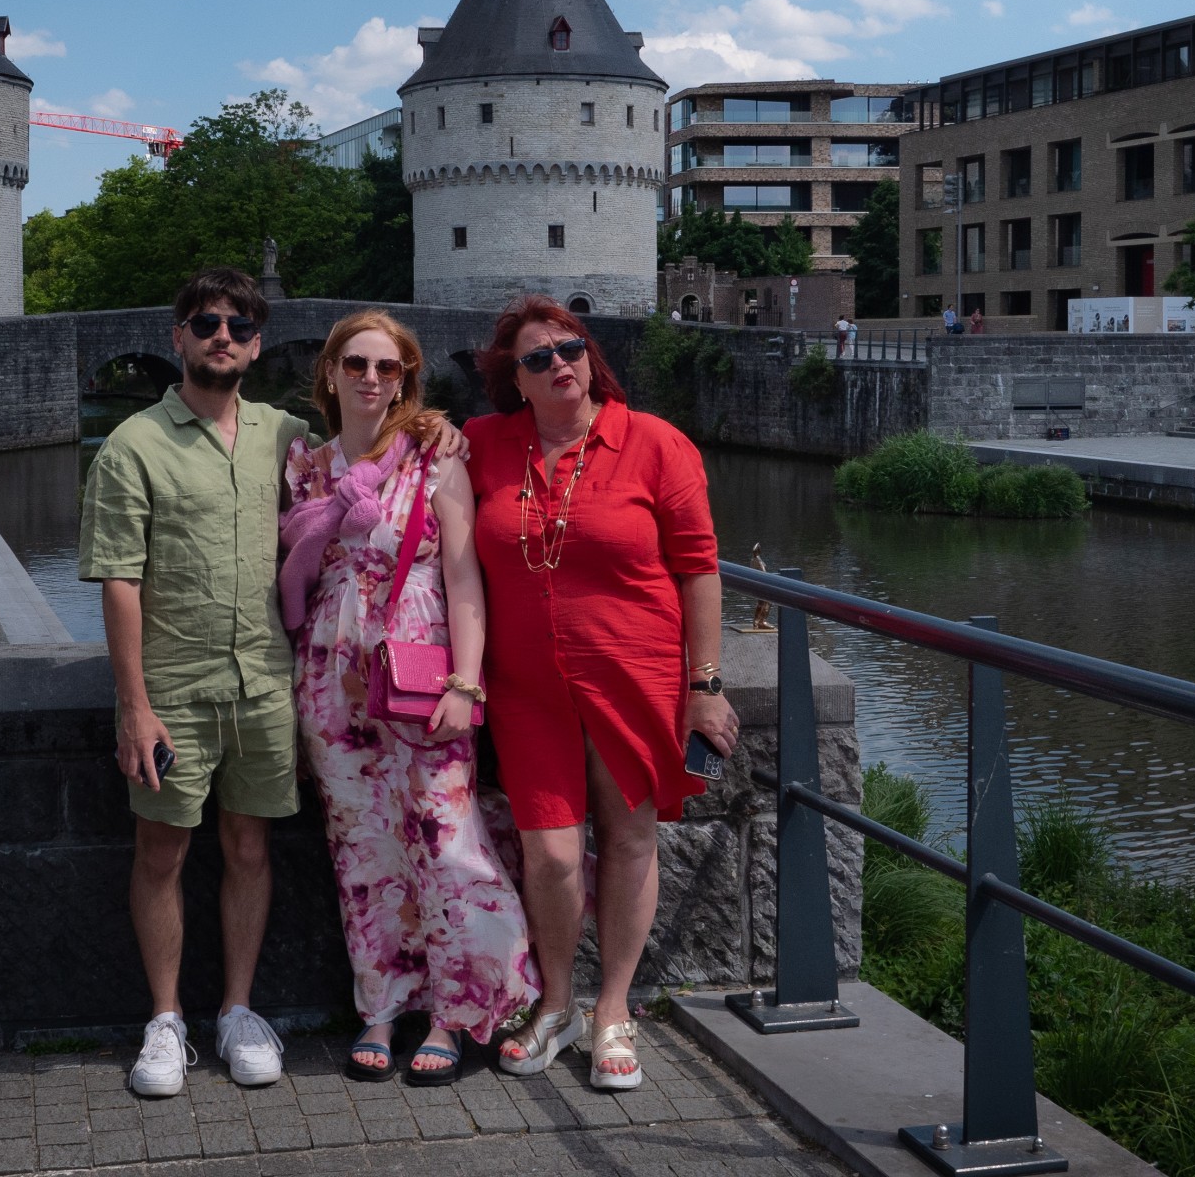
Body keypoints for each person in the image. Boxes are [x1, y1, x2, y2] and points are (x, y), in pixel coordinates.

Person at [464, 296, 738, 1092]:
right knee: (550, 852)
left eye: (571, 348)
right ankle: (557, 1003)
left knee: (629, 838)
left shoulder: (653, 442)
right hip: (525, 686)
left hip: (633, 672)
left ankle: (613, 1007)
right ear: (513, 380)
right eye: (537, 358)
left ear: (591, 357)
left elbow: (699, 567)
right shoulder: (481, 445)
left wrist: (705, 685)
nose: (559, 364)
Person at [278, 311, 536, 1086]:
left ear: (405, 381)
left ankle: (458, 1011)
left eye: (387, 368)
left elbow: (464, 578)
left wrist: (467, 681)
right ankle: (383, 1005)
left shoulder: (434, 458)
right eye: (355, 364)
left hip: (421, 669)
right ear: (330, 373)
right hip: (331, 678)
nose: (370, 378)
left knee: (446, 839)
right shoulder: (306, 467)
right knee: (362, 847)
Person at [80, 268, 303, 1099]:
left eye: (239, 327)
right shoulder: (132, 444)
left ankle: (237, 1010)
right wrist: (134, 708)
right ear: (177, 336)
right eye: (206, 323)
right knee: (161, 852)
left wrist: (440, 437)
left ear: (257, 345)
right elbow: (119, 580)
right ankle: (166, 1018)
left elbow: (378, 456)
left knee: (250, 847)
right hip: (173, 688)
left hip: (265, 684)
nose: (222, 337)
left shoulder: (286, 435)